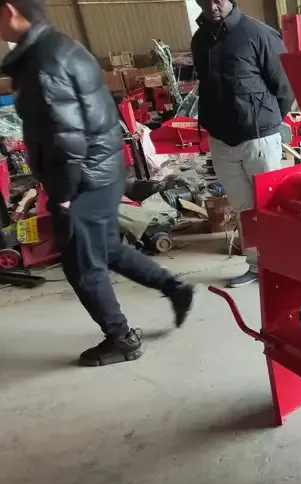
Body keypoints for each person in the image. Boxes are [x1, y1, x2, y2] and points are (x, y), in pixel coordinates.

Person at [0, 0, 195, 367]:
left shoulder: (41, 64)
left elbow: (66, 137)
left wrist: (66, 194)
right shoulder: (64, 47)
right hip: (103, 171)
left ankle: (121, 339)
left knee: (81, 266)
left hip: (81, 181)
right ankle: (175, 287)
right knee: (106, 249)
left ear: (10, 11)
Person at [192, 0, 294, 288]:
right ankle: (255, 265)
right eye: (205, 0)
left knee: (271, 206)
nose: (213, 5)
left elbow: (284, 86)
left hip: (259, 137)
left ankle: (282, 267)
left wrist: (267, 122)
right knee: (244, 210)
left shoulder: (259, 35)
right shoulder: (200, 40)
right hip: (221, 140)